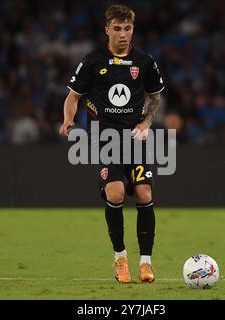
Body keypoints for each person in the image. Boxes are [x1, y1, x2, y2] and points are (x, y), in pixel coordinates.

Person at [59, 4, 164, 284]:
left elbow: (154, 97)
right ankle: (120, 258)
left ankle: (146, 263)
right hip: (106, 139)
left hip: (134, 139)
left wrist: (146, 123)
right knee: (115, 194)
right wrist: (68, 120)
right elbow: (73, 97)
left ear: (133, 29)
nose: (122, 34)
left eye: (127, 28)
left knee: (143, 194)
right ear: (107, 30)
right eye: (117, 29)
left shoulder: (144, 62)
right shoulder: (93, 61)